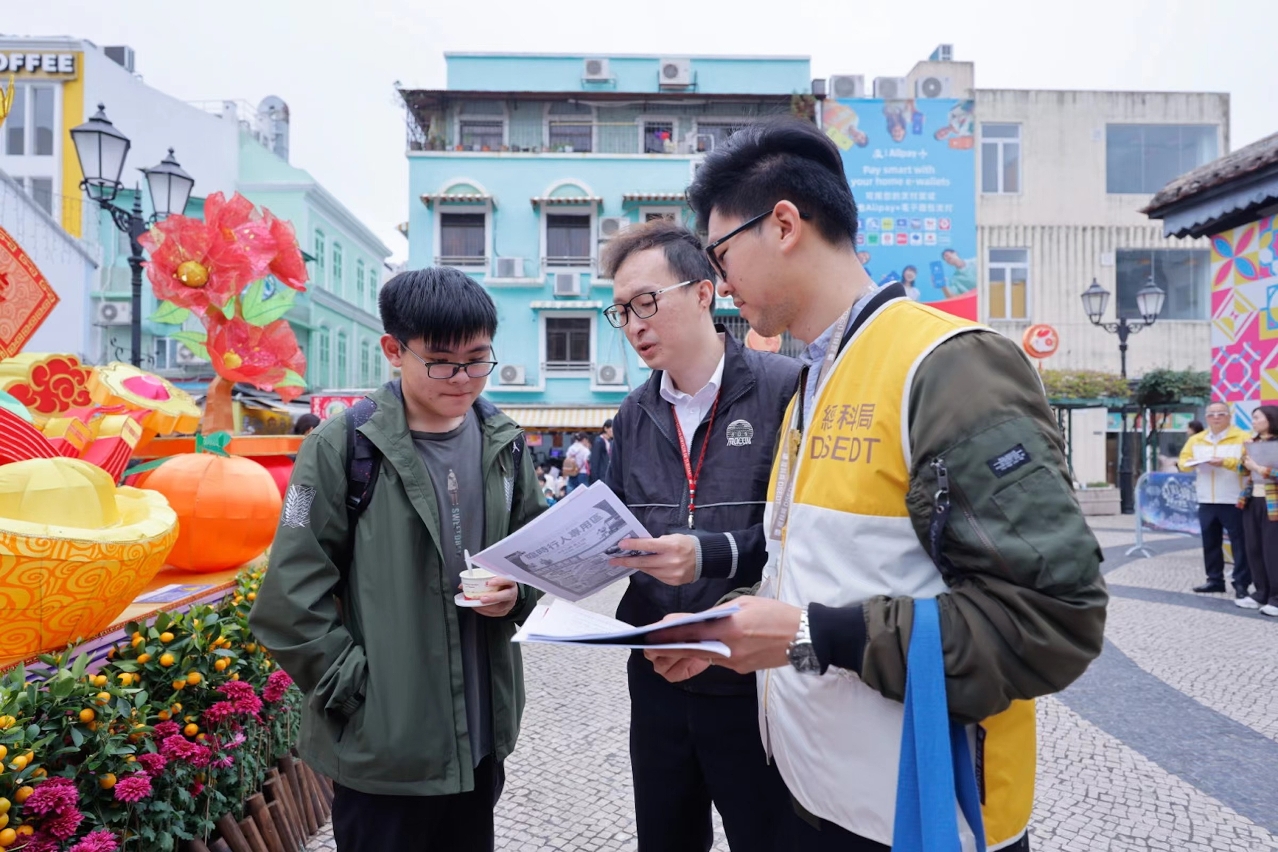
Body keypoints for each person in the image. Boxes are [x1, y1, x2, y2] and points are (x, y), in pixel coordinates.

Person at [644, 116, 1108, 852]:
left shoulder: (948, 366)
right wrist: (733, 627)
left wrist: (807, 633)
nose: (720, 283)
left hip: (923, 819)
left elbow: (1054, 621)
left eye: (721, 253)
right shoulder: (812, 381)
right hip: (815, 800)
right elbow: (825, 565)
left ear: (785, 224)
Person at [249, 267, 545, 852]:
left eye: (477, 360)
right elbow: (288, 602)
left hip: (480, 736)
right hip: (382, 749)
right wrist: (359, 694)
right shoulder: (342, 446)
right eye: (441, 362)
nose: (462, 378)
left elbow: (533, 553)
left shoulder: (504, 442)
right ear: (393, 350)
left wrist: (518, 594)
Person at [597, 218, 814, 852]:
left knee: (768, 837)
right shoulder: (634, 412)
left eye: (646, 301)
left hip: (752, 673)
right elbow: (617, 524)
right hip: (658, 669)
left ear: (703, 293)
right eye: (621, 311)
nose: (634, 324)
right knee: (664, 837)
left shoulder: (785, 388)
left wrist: (709, 558)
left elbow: (802, 536)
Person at [1179, 401, 1251, 597]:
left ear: (1229, 416)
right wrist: (1192, 463)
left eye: (1221, 413)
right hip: (1206, 498)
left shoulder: (1244, 437)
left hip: (1234, 498)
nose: (1216, 417)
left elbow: (1248, 464)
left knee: (1240, 543)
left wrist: (1224, 462)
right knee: (1210, 542)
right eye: (1211, 414)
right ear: (1206, 418)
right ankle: (1214, 580)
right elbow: (1182, 462)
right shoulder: (1197, 439)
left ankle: (1242, 582)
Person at [1239, 405, 1278, 616]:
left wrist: (1258, 468)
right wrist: (1245, 459)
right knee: (1254, 548)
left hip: (1274, 502)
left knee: (1273, 550)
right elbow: (1242, 472)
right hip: (1252, 499)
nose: (1253, 422)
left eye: (1257, 417)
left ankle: (1276, 597)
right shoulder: (1252, 442)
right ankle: (1260, 593)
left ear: (1270, 419)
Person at [589, 419, 614, 485]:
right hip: (600, 477)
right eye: (612, 429)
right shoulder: (599, 441)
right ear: (605, 428)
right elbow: (594, 461)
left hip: (608, 476)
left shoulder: (610, 442)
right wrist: (595, 480)